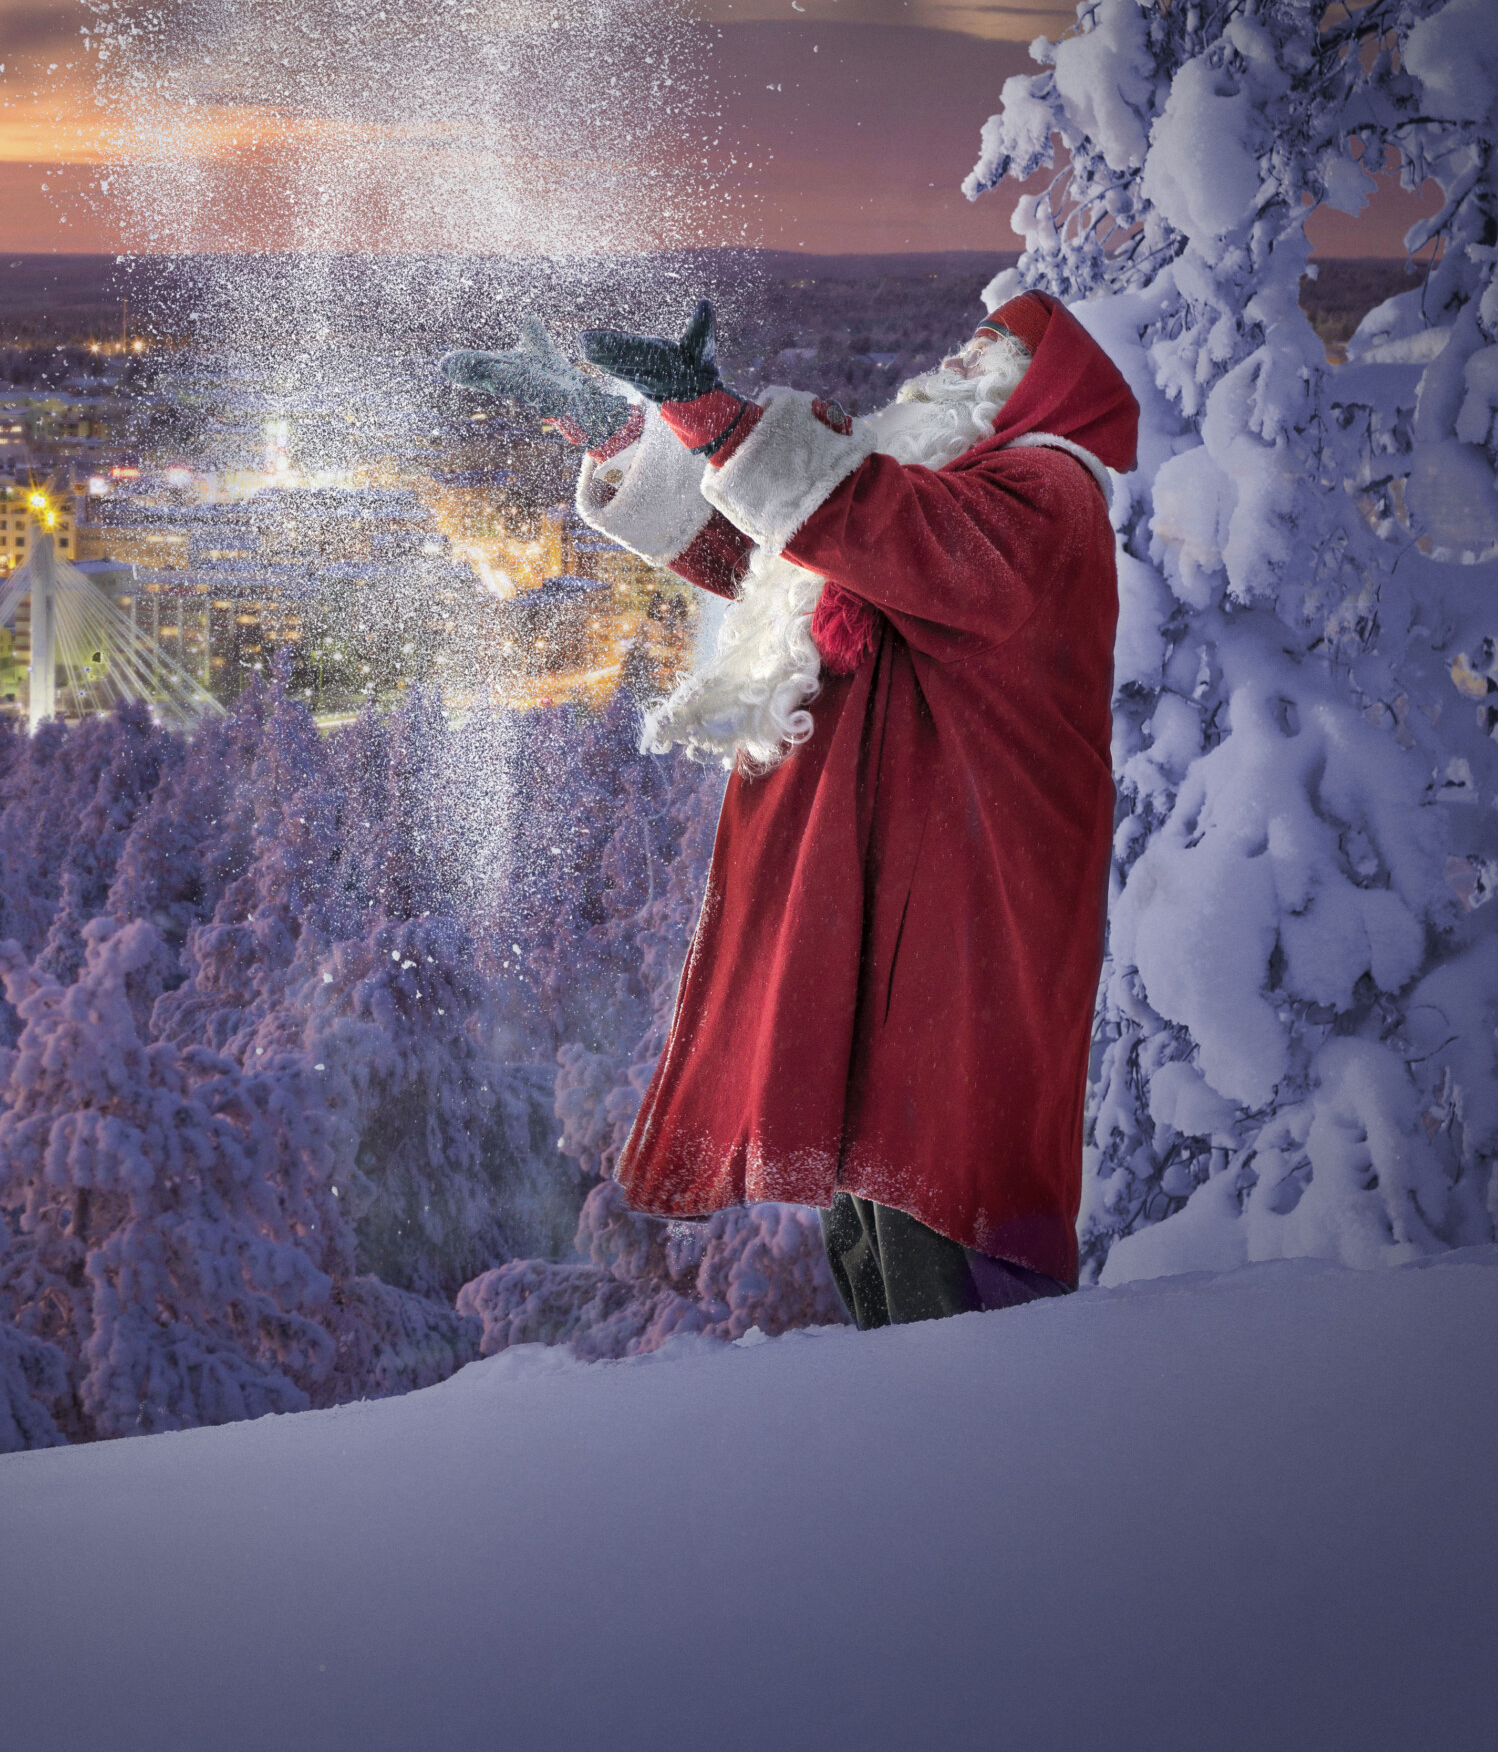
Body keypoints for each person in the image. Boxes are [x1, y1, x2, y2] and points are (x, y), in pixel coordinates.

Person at [443, 292, 1140, 1326]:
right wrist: (627, 429)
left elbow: (877, 525)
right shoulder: (946, 484)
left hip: (970, 906)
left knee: (948, 1198)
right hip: (898, 888)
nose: (955, 359)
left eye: (986, 348)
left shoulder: (1042, 494)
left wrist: (715, 416)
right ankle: (913, 1443)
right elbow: (776, 554)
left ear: (1035, 383)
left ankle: (984, 1449)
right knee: (876, 1196)